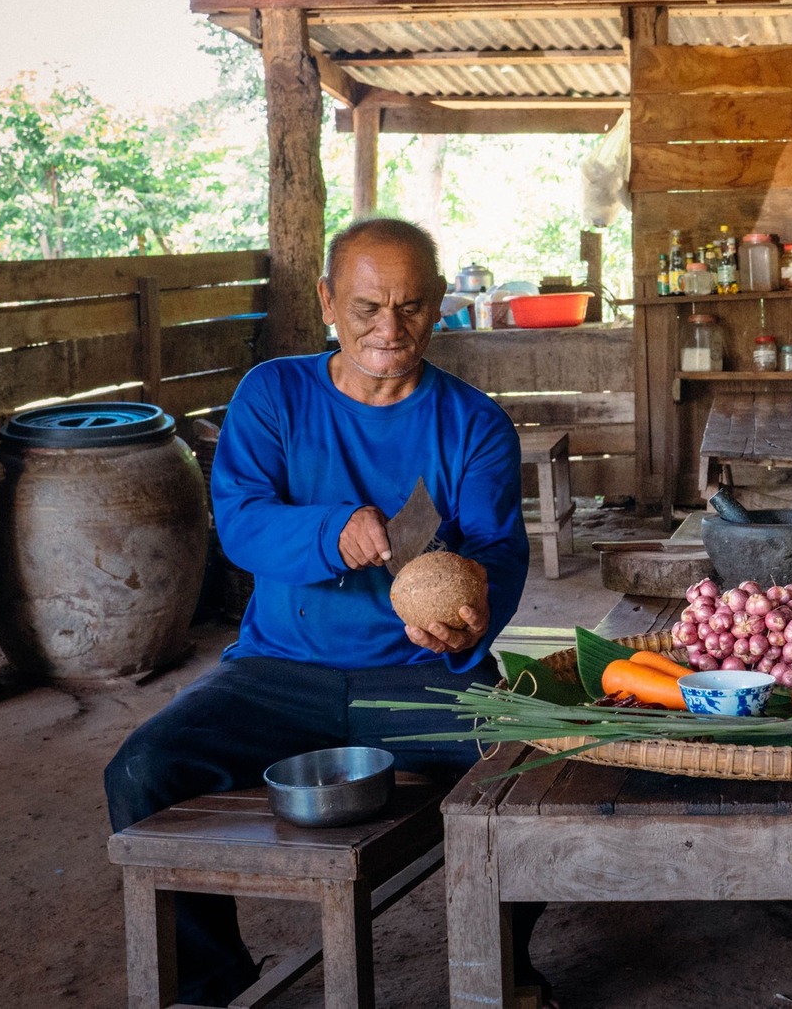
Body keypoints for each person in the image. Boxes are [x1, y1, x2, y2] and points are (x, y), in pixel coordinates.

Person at [105, 217, 534, 1005]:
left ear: (438, 305)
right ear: (327, 301)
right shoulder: (274, 394)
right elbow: (238, 520)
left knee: (527, 776)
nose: (388, 328)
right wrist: (331, 530)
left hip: (416, 675)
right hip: (277, 671)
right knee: (142, 770)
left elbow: (498, 554)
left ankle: (503, 969)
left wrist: (470, 617)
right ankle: (209, 982)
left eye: (409, 306)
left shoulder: (475, 425)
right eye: (367, 306)